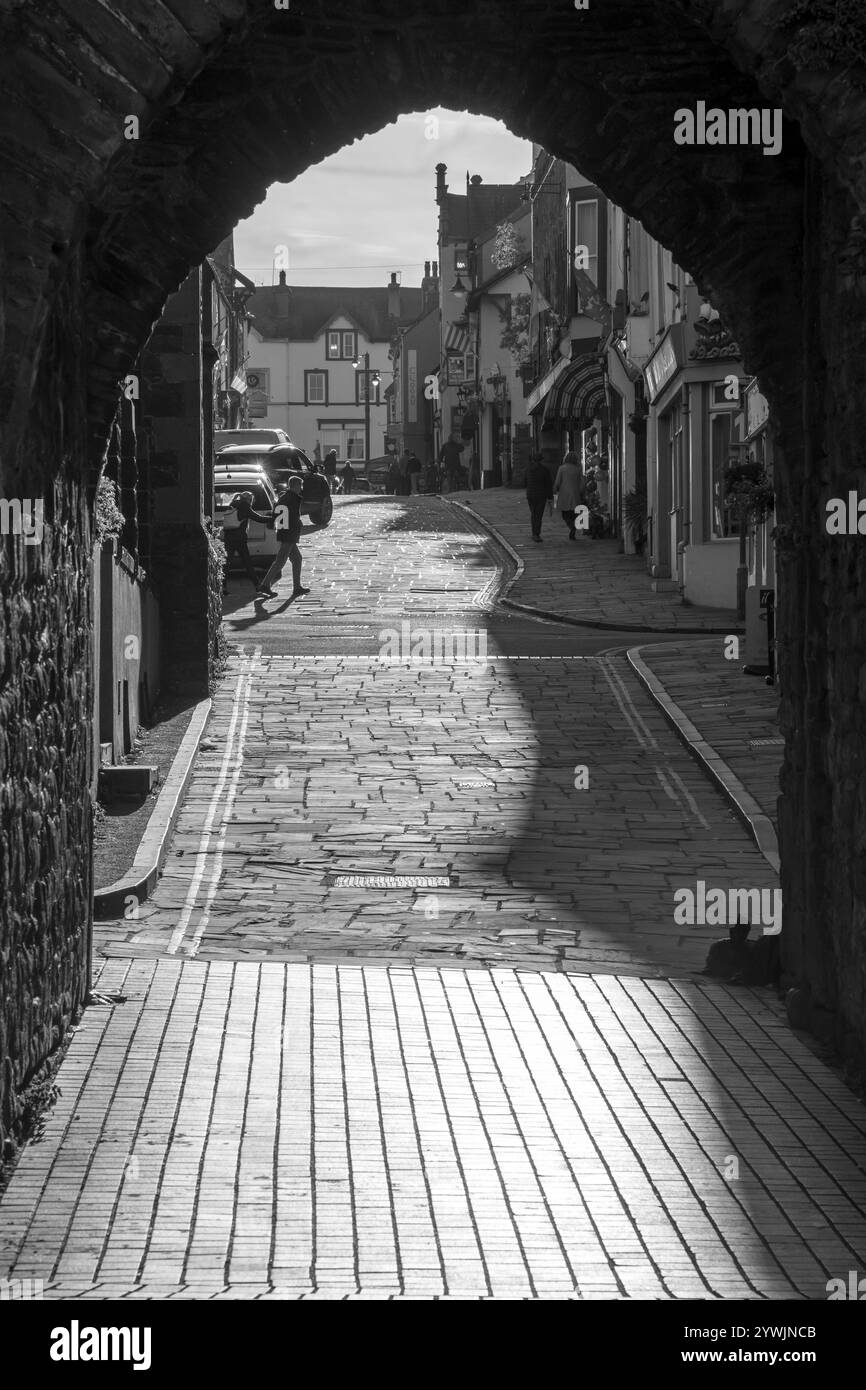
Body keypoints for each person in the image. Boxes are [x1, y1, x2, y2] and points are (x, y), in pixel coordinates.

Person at [257, 476, 310, 600]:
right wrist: (297, 524)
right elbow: (291, 516)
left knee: (297, 559)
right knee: (280, 560)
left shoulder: (283, 497)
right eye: (300, 486)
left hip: (284, 531)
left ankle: (297, 587)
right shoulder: (292, 499)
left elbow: (277, 512)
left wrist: (277, 526)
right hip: (289, 533)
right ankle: (265, 584)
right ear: (296, 485)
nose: (301, 489)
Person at [221, 490, 271, 592]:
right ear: (248, 500)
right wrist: (272, 518)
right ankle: (257, 586)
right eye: (251, 500)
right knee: (247, 563)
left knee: (227, 562)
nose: (251, 503)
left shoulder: (233, 504)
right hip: (239, 538)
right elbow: (258, 518)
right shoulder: (244, 506)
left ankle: (223, 587)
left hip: (228, 536)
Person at [553, 448, 586, 540]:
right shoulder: (578, 469)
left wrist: (555, 489)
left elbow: (558, 482)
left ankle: (571, 527)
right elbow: (582, 482)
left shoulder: (562, 468)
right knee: (574, 513)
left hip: (564, 494)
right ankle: (574, 527)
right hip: (575, 493)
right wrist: (581, 491)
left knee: (565, 514)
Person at [525, 456, 553, 542]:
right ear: (541, 460)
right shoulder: (544, 470)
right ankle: (536, 534)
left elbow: (524, 482)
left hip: (530, 495)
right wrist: (550, 497)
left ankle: (534, 533)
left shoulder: (528, 470)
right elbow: (548, 484)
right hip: (541, 495)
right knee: (539, 515)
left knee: (533, 514)